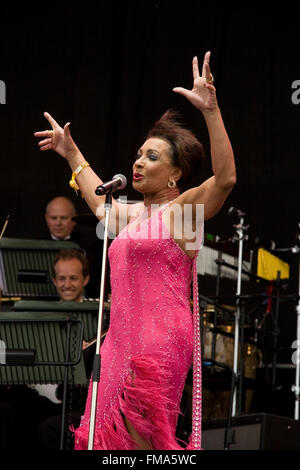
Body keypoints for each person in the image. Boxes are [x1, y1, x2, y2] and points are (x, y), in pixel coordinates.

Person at [34, 51, 236, 450]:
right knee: (101, 441)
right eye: (139, 154)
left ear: (176, 173)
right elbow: (97, 204)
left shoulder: (183, 212)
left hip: (156, 344)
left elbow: (226, 179)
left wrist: (211, 111)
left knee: (138, 443)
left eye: (152, 156)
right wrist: (71, 153)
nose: (138, 162)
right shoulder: (133, 215)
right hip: (118, 345)